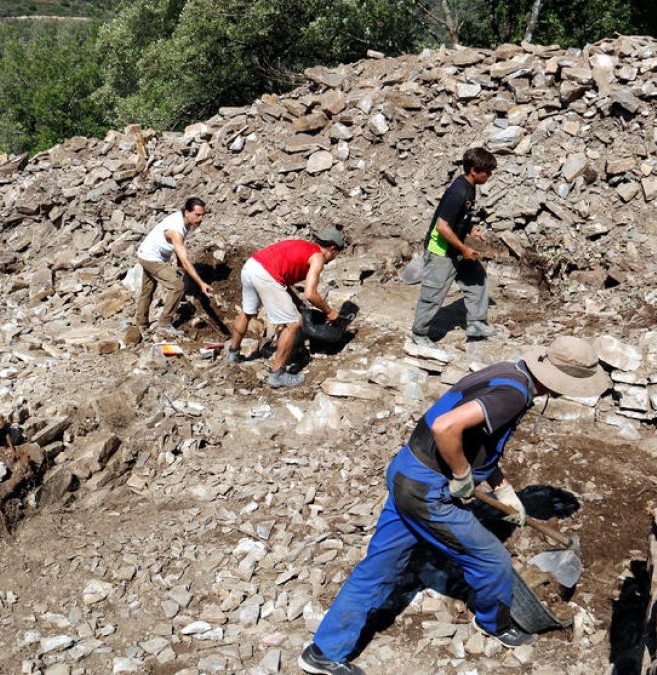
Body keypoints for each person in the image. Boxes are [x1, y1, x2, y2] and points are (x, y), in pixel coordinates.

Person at [298, 336, 612, 675]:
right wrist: (462, 474)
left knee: (380, 566)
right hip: (427, 490)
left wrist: (502, 487)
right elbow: (445, 426)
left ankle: (322, 652)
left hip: (406, 471)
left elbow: (478, 442)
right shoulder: (513, 395)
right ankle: (493, 623)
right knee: (492, 560)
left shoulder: (508, 372)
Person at [226, 228, 346, 388]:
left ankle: (232, 354)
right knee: (293, 325)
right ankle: (277, 375)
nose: (334, 257)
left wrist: (298, 303)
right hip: (265, 275)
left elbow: (283, 279)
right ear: (332, 248)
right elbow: (310, 294)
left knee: (247, 312)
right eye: (336, 254)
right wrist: (330, 312)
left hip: (251, 266)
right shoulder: (317, 258)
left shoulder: (303, 246)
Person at [412, 148, 498, 346]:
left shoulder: (470, 187)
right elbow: (442, 226)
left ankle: (476, 324)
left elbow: (459, 216)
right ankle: (419, 334)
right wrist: (464, 249)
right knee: (433, 294)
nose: (489, 175)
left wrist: (470, 229)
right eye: (487, 171)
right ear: (474, 170)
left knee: (476, 278)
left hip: (455, 248)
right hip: (440, 251)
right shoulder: (458, 192)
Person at [134, 197, 213, 337]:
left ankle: (141, 324)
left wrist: (180, 268)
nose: (201, 219)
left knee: (148, 289)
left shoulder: (184, 220)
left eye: (203, 215)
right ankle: (164, 325)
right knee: (177, 286)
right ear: (187, 212)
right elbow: (185, 260)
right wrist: (201, 284)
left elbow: (178, 250)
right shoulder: (176, 230)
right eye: (198, 215)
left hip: (145, 252)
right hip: (151, 257)